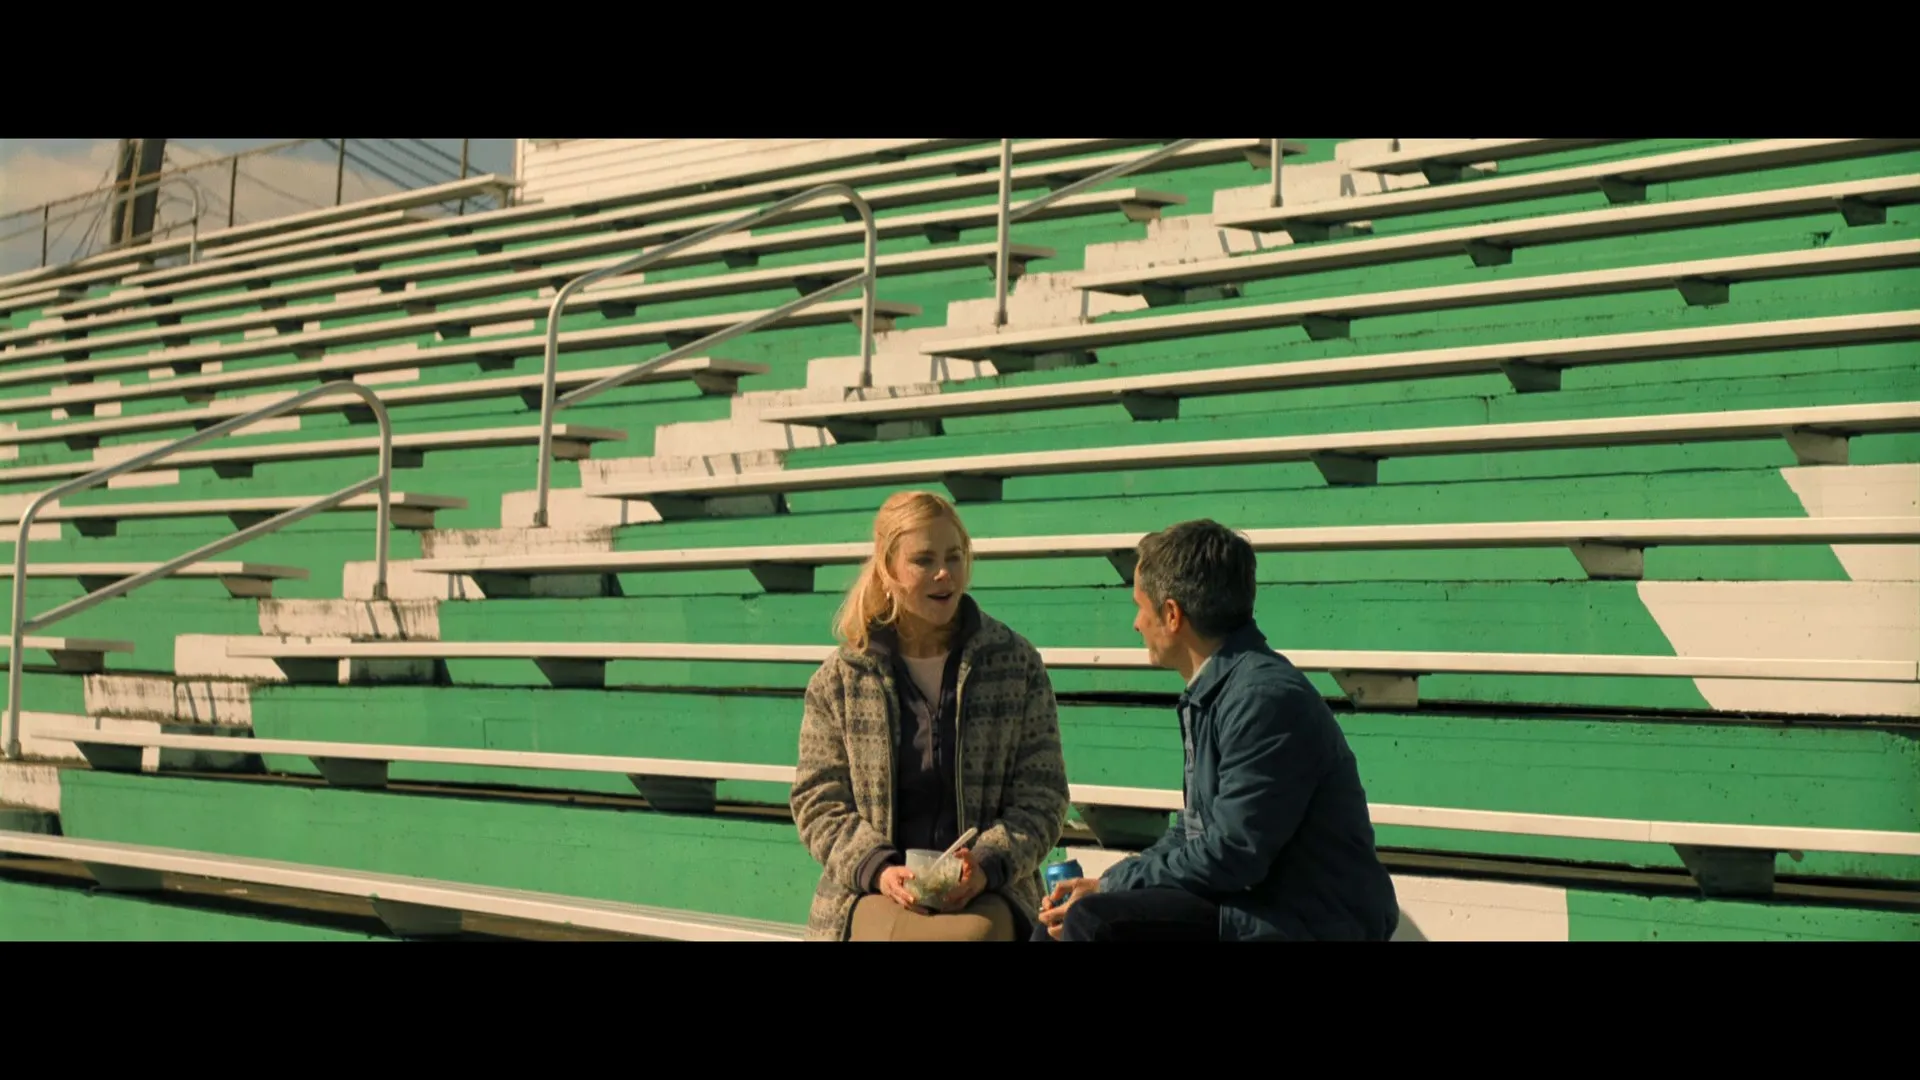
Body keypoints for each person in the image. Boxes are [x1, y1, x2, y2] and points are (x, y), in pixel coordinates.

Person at [1033, 519, 1400, 942]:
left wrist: (1114, 886)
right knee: (1057, 923)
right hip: (1253, 904)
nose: (1136, 624)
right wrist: (1108, 882)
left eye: (1141, 607)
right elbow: (1193, 832)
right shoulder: (1219, 690)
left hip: (1308, 920)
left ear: (1172, 615)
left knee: (1093, 921)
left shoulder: (1263, 699)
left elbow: (1234, 853)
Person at [790, 490, 1072, 941]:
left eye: (954, 557)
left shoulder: (1015, 664)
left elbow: (1043, 796)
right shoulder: (840, 679)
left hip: (992, 889)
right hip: (871, 892)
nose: (944, 573)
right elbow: (818, 802)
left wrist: (985, 864)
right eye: (924, 560)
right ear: (887, 570)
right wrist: (879, 869)